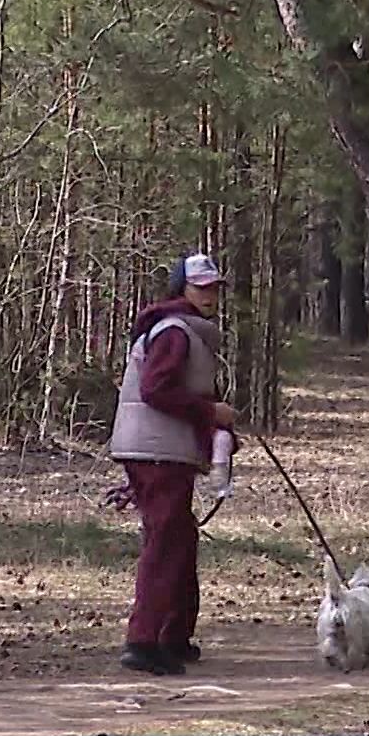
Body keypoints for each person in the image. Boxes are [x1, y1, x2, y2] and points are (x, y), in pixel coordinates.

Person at [109, 253, 238, 674]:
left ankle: (174, 637)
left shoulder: (186, 331)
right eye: (201, 287)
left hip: (163, 449)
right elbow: (156, 390)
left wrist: (218, 431)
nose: (210, 295)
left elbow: (181, 395)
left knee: (180, 539)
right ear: (182, 288)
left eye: (214, 288)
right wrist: (210, 412)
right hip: (156, 452)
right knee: (165, 545)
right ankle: (142, 642)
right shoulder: (175, 332)